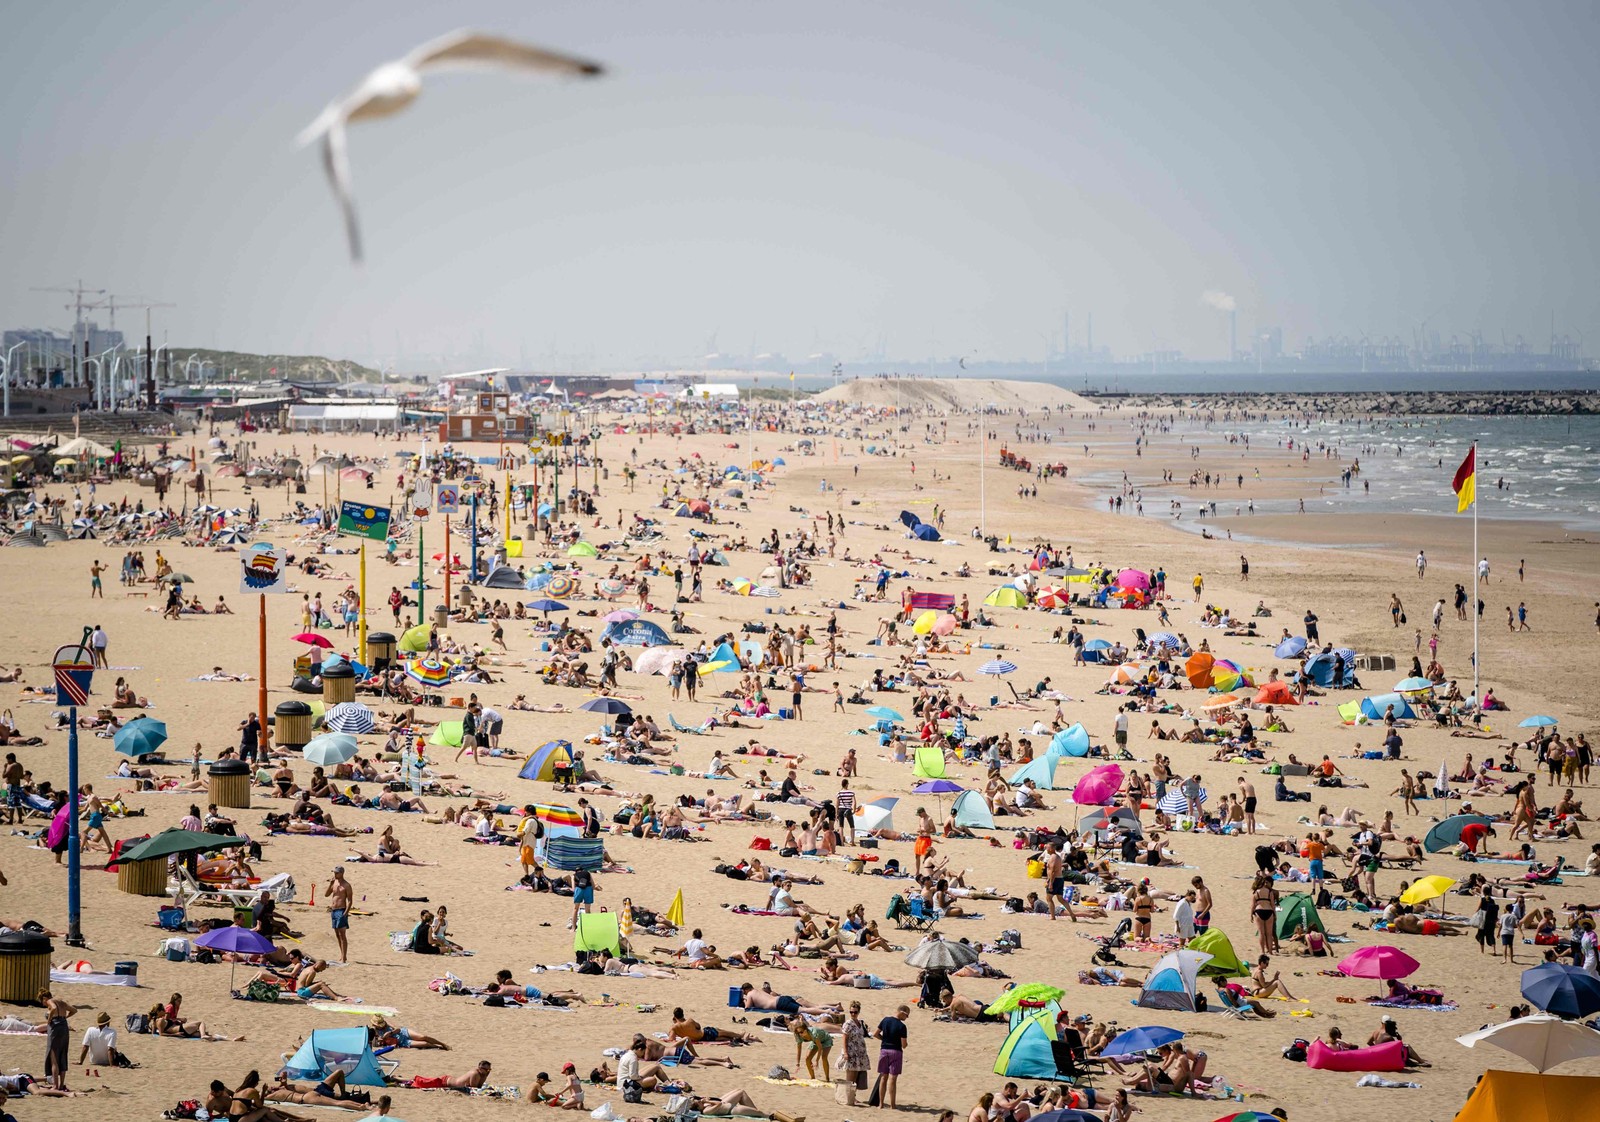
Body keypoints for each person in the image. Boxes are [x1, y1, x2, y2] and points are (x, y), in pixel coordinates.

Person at [871, 1004, 909, 1110]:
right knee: (893, 1078)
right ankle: (892, 1105)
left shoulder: (885, 1020)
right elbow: (904, 1044)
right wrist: (906, 1044)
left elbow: (875, 1034)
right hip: (896, 1051)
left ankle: (881, 1104)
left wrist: (884, 1039)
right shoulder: (902, 1026)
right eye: (907, 1016)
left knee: (883, 1077)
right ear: (902, 1013)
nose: (907, 1018)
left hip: (884, 1050)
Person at [325, 866, 353, 963]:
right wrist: (330, 884)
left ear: (341, 873)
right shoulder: (334, 883)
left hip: (341, 910)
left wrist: (346, 913)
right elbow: (326, 894)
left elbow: (350, 900)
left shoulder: (347, 885)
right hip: (333, 910)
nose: (335, 875)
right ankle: (341, 955)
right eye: (334, 873)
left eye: (336, 873)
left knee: (342, 935)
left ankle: (344, 957)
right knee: (337, 934)